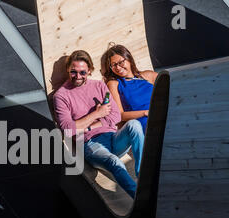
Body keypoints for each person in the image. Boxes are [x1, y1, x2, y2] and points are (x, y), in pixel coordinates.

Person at [53, 50, 144, 198]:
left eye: (82, 72)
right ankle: (141, 199)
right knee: (114, 161)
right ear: (68, 70)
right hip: (90, 145)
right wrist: (97, 114)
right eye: (73, 72)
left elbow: (115, 116)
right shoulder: (61, 96)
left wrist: (86, 125)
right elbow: (68, 129)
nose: (78, 76)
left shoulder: (99, 86)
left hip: (113, 137)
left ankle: (142, 174)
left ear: (89, 71)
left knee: (134, 124)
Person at [101, 44, 158, 134]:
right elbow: (120, 115)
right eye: (114, 65)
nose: (118, 68)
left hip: (163, 114)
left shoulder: (149, 75)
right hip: (143, 123)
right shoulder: (114, 84)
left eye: (120, 62)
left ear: (129, 59)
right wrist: (146, 113)